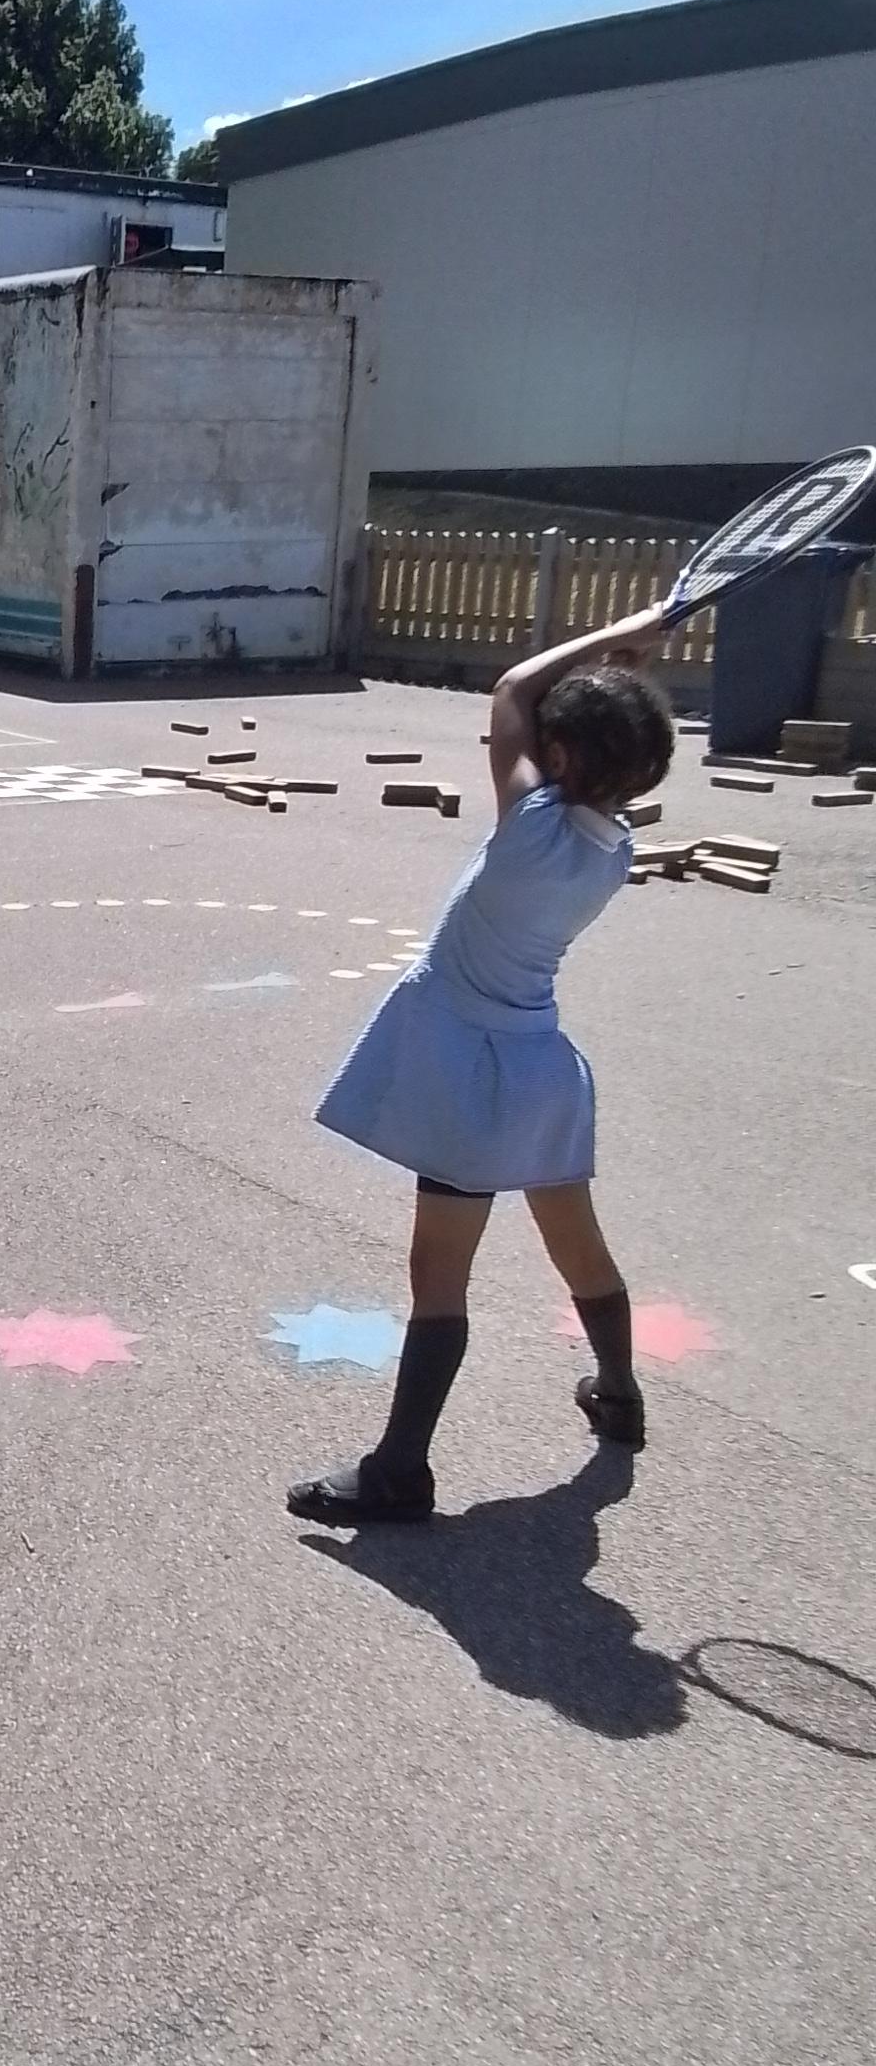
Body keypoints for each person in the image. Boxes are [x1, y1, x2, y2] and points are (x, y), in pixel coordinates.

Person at [288, 605, 676, 1524]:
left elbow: (511, 688)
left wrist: (627, 629)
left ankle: (400, 1471)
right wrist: (627, 668)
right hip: (542, 1075)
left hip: (473, 1077)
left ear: (563, 759)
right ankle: (619, 1393)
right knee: (578, 1246)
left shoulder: (530, 826)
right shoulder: (611, 846)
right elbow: (587, 733)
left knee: (440, 1274)